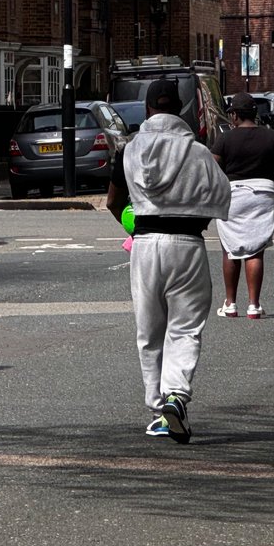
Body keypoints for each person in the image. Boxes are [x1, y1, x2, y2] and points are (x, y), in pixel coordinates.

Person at [107, 79, 231, 443]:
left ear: (147, 109)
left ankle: (160, 407)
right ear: (179, 110)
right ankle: (176, 397)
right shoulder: (197, 151)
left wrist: (134, 224)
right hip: (187, 244)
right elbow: (222, 194)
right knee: (185, 327)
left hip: (145, 243)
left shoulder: (130, 149)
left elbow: (114, 201)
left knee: (149, 331)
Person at [210, 92, 274, 318]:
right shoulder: (272, 137)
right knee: (255, 250)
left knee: (230, 249)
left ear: (234, 115)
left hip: (233, 195)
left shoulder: (224, 139)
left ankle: (230, 304)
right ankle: (254, 305)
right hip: (264, 194)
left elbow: (212, 169)